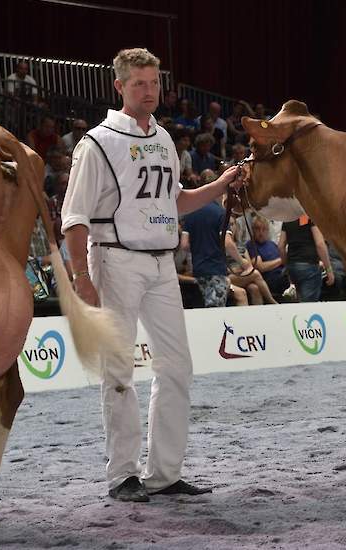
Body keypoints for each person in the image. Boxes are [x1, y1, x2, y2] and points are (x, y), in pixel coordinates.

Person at [61, 48, 244, 503]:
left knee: (177, 366)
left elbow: (174, 201)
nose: (149, 91)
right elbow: (74, 217)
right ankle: (122, 474)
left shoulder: (163, 138)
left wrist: (221, 185)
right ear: (119, 87)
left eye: (154, 83)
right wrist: (82, 279)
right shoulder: (97, 142)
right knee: (119, 369)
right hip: (115, 259)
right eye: (139, 83)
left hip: (163, 263)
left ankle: (164, 473)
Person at [279, 215, 334, 302]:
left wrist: (287, 266)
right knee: (308, 307)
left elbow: (281, 247)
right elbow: (320, 244)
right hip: (309, 266)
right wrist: (329, 269)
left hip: (293, 267)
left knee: (300, 302)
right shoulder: (310, 216)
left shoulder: (287, 219)